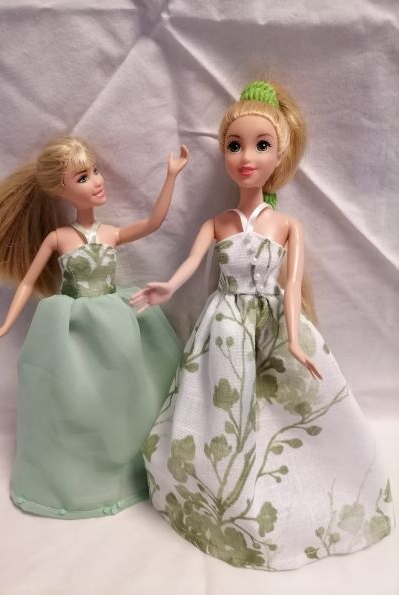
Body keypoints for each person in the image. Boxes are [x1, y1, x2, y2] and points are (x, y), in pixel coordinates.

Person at [130, 81, 394, 570]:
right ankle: (218, 484)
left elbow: (290, 285)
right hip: (223, 326)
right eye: (235, 146)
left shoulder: (288, 225)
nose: (246, 157)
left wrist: (294, 338)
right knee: (220, 403)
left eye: (261, 145)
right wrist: (166, 287)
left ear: (280, 154)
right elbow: (190, 265)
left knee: (282, 409)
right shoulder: (218, 222)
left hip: (269, 324)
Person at [0, 135, 189, 519]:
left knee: (126, 394)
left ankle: (134, 465)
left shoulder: (111, 232)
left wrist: (171, 176)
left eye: (95, 171)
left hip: (117, 324)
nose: (97, 181)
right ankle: (81, 475)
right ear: (60, 190)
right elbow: (27, 283)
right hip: (75, 328)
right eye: (83, 177)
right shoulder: (58, 238)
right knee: (77, 398)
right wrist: (5, 324)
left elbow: (154, 222)